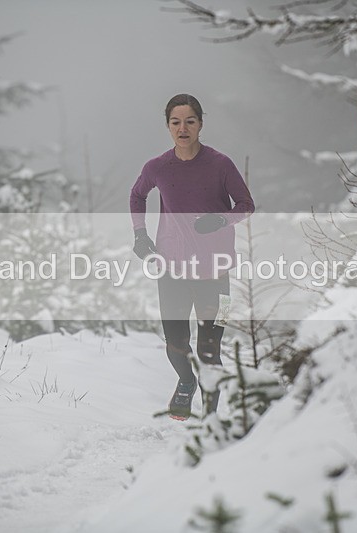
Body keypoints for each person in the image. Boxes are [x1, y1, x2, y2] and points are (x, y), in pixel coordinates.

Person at [130, 94, 255, 420]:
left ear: (200, 124)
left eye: (190, 121)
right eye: (176, 122)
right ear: (168, 126)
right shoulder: (157, 167)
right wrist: (140, 235)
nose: (183, 128)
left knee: (210, 349)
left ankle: (210, 419)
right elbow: (136, 195)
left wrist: (221, 219)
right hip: (171, 268)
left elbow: (246, 205)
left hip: (218, 271)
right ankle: (186, 382)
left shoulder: (220, 164)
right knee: (176, 343)